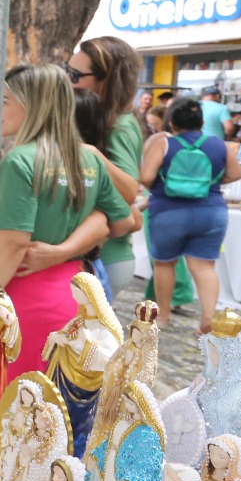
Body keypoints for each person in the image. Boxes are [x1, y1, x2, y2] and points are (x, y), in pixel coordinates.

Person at [0, 63, 136, 381]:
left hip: (23, 294)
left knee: (12, 407)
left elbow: (14, 242)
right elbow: (124, 221)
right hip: (74, 293)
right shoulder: (85, 158)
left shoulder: (20, 160)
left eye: (4, 100)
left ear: (31, 106)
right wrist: (68, 247)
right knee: (55, 411)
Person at [140, 96, 241, 333]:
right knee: (205, 266)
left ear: (172, 124)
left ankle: (163, 316)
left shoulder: (165, 144)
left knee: (165, 264)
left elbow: (146, 178)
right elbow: (235, 174)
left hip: (168, 211)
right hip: (210, 211)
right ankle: (208, 319)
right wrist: (211, 182)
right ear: (202, 121)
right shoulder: (219, 144)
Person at [69, 36, 145, 301]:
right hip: (95, 256)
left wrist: (91, 154)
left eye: (75, 75)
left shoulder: (120, 125)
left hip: (105, 258)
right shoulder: (103, 119)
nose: (69, 81)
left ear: (106, 80)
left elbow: (128, 191)